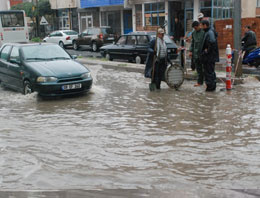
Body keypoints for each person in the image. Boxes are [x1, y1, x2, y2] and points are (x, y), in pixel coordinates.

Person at [200, 20, 219, 92]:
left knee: (209, 72)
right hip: (210, 57)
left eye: (202, 25)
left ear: (205, 25)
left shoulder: (210, 32)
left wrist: (207, 51)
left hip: (209, 57)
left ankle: (210, 87)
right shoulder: (209, 32)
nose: (201, 27)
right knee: (210, 71)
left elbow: (212, 41)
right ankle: (211, 86)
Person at [189, 21, 205, 86]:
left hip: (202, 53)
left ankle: (206, 82)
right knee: (198, 69)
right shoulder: (193, 33)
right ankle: (199, 82)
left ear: (199, 26)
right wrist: (190, 51)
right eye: (194, 28)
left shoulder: (203, 32)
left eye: (196, 28)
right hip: (196, 54)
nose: (195, 29)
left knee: (204, 69)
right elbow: (192, 43)